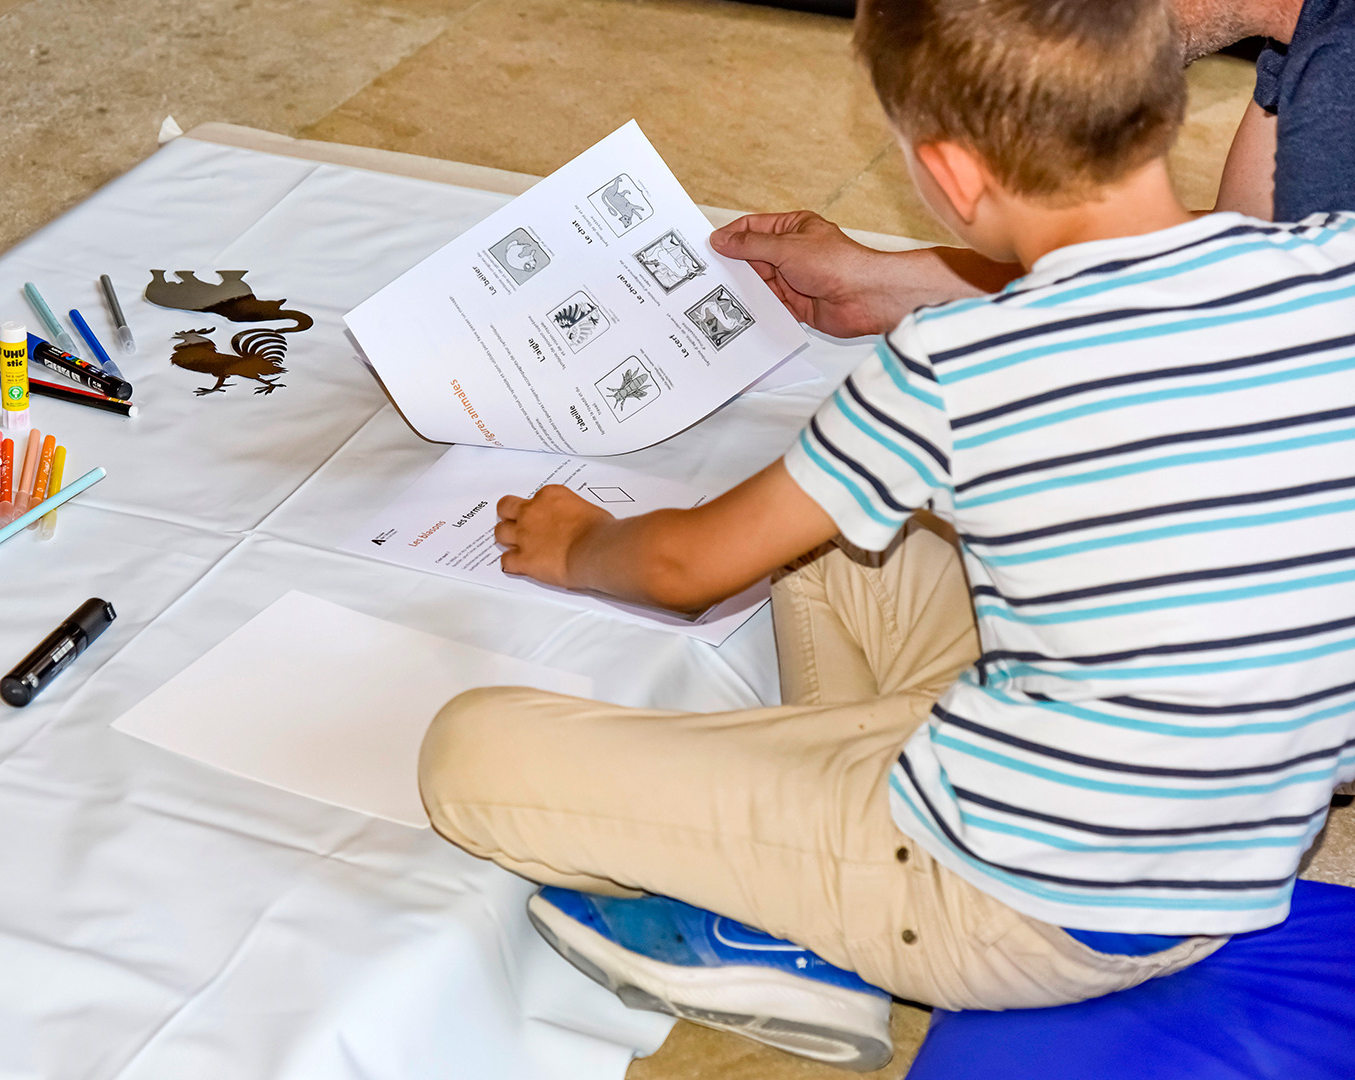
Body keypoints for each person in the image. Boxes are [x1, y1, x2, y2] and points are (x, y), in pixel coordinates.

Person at [415, 0, 1355, 1069]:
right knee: (835, 549)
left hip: (1016, 908)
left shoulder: (958, 358)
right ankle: (827, 854)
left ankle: (817, 919)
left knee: (471, 749)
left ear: (948, 173)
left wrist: (576, 542)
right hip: (1235, 842)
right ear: (1167, 96)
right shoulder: (1333, 259)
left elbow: (684, 568)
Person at [709, 0, 1353, 341]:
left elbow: (1248, 329)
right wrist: (883, 283)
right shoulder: (1305, 29)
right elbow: (1246, 255)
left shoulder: (1337, 82)